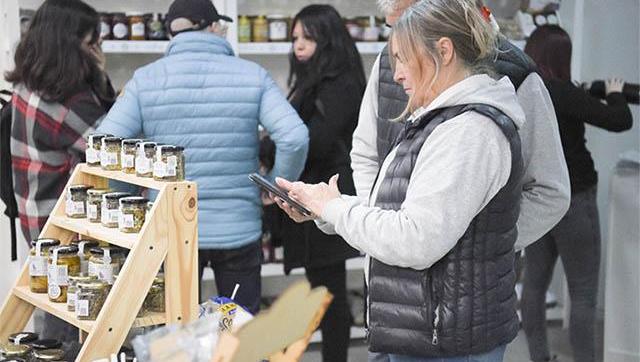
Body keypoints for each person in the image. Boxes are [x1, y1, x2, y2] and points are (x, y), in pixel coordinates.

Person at [274, 0, 525, 360]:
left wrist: (337, 209)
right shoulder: (439, 121)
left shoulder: (470, 132)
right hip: (425, 327)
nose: (396, 75)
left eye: (404, 58)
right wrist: (326, 210)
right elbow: (396, 212)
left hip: (447, 338)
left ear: (444, 51)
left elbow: (415, 238)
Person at [96, 0, 308, 315]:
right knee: (241, 330)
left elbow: (103, 142)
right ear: (210, 26)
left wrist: (129, 199)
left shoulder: (145, 79)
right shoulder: (252, 75)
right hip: (238, 227)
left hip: (171, 228)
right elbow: (294, 136)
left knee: (174, 329)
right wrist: (275, 190)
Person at [354, 0, 570, 254]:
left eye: (409, 22)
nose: (398, 67)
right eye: (393, 27)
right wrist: (378, 233)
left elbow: (549, 191)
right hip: (390, 267)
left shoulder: (516, 75)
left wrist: (473, 249)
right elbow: (366, 152)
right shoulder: (388, 64)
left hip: (470, 281)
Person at [5, 0, 114, 352]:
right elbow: (112, 146)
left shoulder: (27, 88)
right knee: (70, 328)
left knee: (53, 306)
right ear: (70, 45)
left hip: (37, 223)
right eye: (91, 42)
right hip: (65, 231)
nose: (97, 50)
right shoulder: (66, 107)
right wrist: (103, 75)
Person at [520, 25, 633, 362]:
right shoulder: (566, 93)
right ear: (561, 58)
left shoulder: (524, 92)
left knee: (534, 285)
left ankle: (539, 358)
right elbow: (619, 120)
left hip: (537, 200)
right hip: (574, 200)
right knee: (583, 293)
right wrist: (614, 92)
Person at [282, 5, 365, 361]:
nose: (298, 45)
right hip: (315, 197)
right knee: (323, 289)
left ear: (326, 39)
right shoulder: (311, 79)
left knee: (329, 293)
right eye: (295, 37)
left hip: (329, 194)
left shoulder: (339, 82)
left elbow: (316, 139)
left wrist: (273, 142)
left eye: (308, 37)